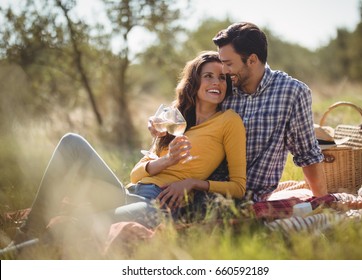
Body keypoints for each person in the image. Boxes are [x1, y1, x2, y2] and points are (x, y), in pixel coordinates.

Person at [11, 51, 246, 245]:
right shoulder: (176, 120)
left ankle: (16, 256)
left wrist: (192, 183)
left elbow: (238, 187)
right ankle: (28, 231)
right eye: (209, 76)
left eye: (222, 78)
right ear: (194, 82)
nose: (217, 82)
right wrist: (165, 161)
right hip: (130, 193)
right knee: (72, 142)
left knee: (80, 224)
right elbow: (136, 173)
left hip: (157, 206)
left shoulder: (229, 121)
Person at [211, 22, 327, 201]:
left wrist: (322, 202)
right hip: (206, 188)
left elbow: (307, 154)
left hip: (251, 199)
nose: (224, 71)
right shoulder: (222, 86)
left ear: (252, 60)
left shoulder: (291, 92)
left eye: (228, 64)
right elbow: (189, 115)